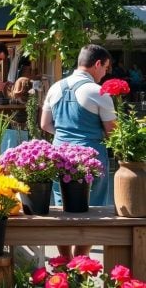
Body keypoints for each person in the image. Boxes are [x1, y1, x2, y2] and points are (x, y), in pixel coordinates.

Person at [40, 44, 116, 259]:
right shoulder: (98, 92)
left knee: (61, 207)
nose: (104, 74)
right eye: (105, 68)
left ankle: (64, 261)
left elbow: (45, 124)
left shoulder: (55, 88)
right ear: (97, 63)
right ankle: (81, 262)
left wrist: (66, 136)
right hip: (91, 158)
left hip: (59, 155)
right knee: (93, 210)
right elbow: (112, 132)